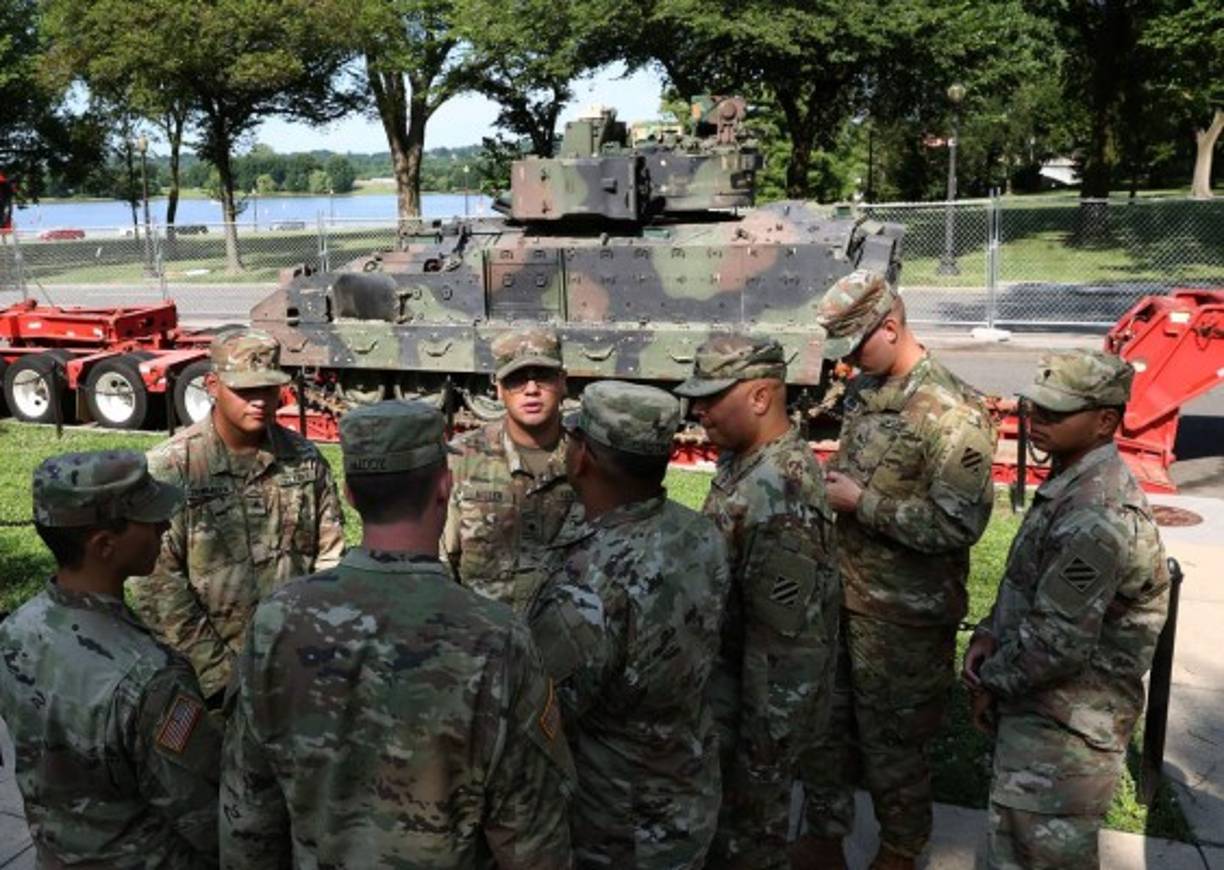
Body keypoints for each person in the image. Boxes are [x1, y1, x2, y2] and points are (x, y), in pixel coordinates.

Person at [221, 399, 575, 868]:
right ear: (445, 487)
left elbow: (247, 818)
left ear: (348, 494)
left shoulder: (276, 622)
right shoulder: (495, 638)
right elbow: (532, 838)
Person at [796, 270, 997, 870]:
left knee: (895, 746)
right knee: (826, 728)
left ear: (890, 327)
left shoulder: (954, 411)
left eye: (856, 347)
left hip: (903, 617)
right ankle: (823, 836)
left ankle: (900, 849)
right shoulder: (867, 391)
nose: (848, 363)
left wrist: (865, 504)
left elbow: (959, 525)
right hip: (840, 596)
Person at [963, 351, 1169, 869]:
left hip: (1067, 734)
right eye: (1037, 408)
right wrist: (991, 632)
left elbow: (1056, 644)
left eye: (1056, 413)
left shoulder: (1095, 516)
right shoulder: (1072, 485)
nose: (1039, 421)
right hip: (1042, 715)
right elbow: (1029, 584)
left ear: (1104, 421)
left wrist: (991, 681)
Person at [527, 381, 730, 868]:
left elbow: (540, 714)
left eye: (575, 437)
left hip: (620, 829)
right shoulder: (699, 534)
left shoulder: (591, 581)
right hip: (690, 796)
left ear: (584, 458)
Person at [0, 450, 220, 868]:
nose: (164, 525)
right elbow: (205, 817)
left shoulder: (16, 630)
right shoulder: (151, 678)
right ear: (103, 544)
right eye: (150, 519)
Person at [673, 335, 841, 870]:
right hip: (727, 703)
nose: (699, 409)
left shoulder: (782, 495)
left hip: (756, 726)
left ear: (762, 396)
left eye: (713, 396)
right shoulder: (745, 465)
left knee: (748, 847)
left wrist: (760, 760)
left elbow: (786, 651)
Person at [127, 327, 345, 705]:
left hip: (300, 665)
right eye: (245, 390)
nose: (260, 401)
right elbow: (158, 586)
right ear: (213, 384)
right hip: (210, 685)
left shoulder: (304, 460)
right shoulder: (172, 469)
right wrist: (221, 678)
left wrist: (314, 642)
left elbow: (330, 557)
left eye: (268, 388)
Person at [444, 327, 579, 612]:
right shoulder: (461, 459)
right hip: (485, 637)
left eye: (542, 376)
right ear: (498, 388)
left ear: (563, 382)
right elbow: (441, 560)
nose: (531, 390)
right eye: (517, 379)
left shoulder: (589, 462)